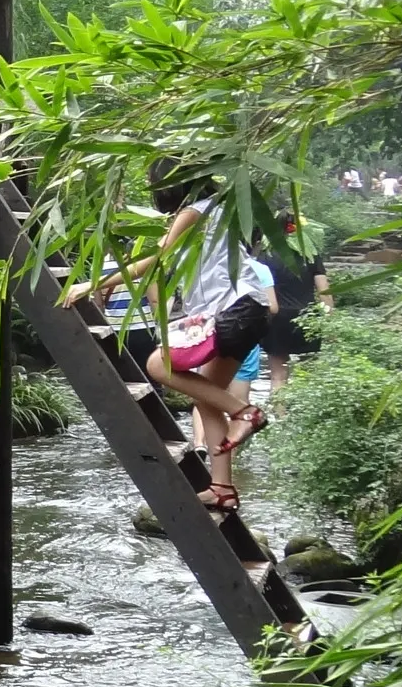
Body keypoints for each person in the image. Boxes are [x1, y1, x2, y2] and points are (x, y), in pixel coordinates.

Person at [66, 163, 273, 513]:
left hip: (233, 309)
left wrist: (92, 284)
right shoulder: (222, 209)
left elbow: (156, 258)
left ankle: (246, 412)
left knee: (157, 364)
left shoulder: (194, 211)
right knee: (207, 398)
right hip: (250, 309)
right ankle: (222, 488)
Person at [256, 213, 331, 390]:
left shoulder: (266, 255)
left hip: (277, 319)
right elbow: (325, 291)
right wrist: (329, 320)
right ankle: (305, 415)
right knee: (309, 373)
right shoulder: (310, 254)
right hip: (308, 318)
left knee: (277, 376)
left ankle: (280, 417)